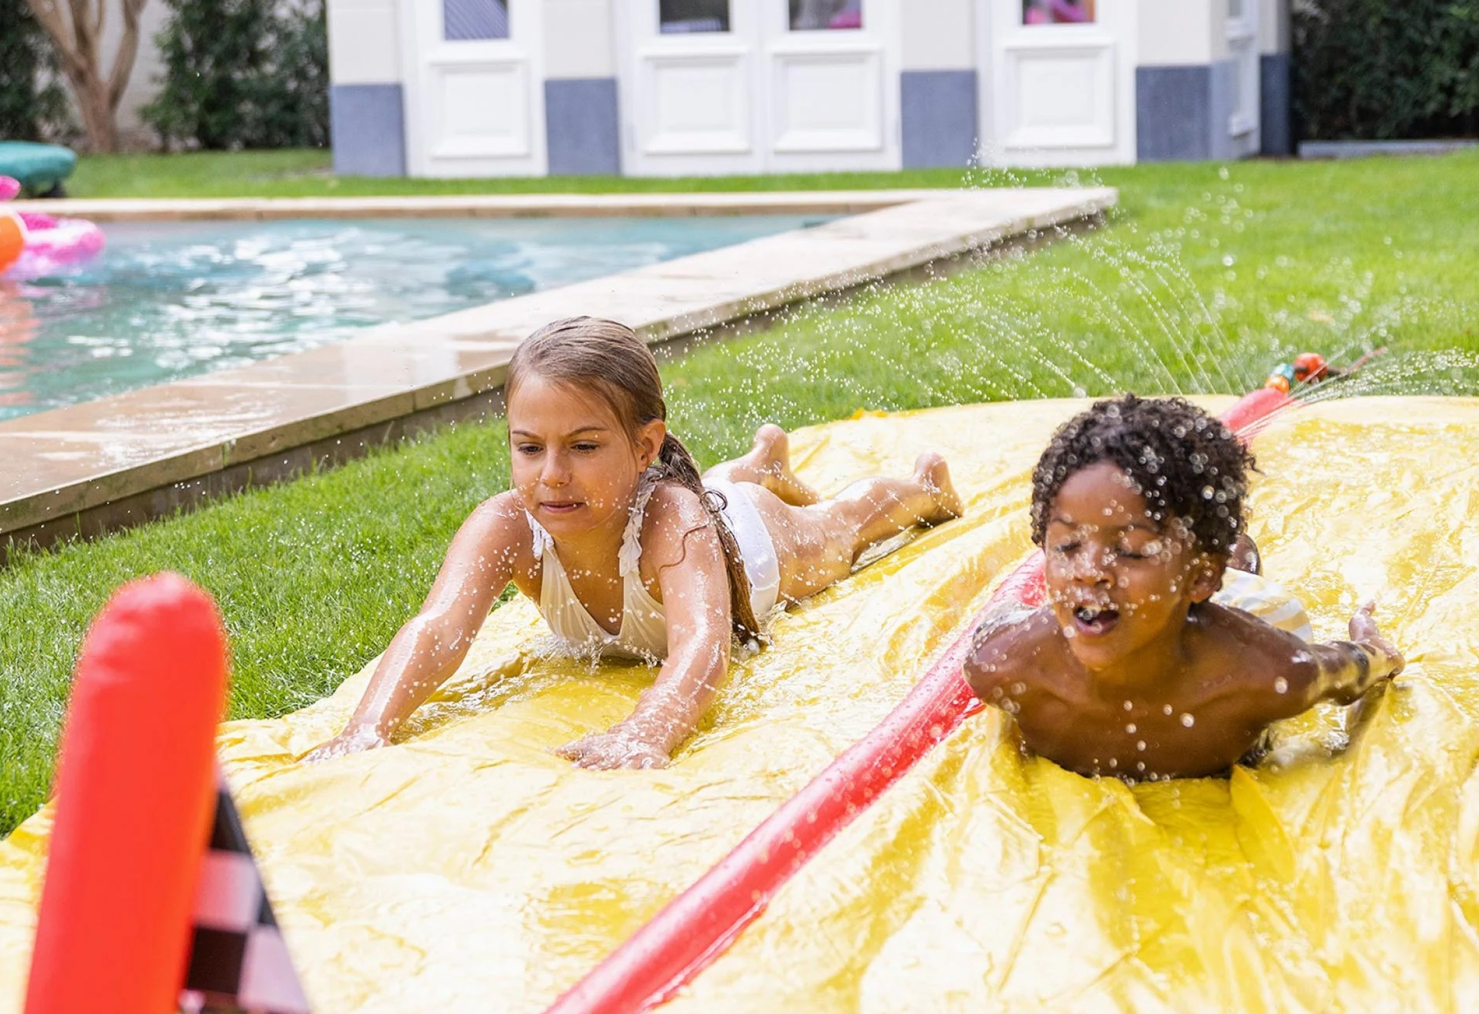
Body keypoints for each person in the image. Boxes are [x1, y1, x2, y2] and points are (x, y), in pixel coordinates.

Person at [310, 317, 961, 771]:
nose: (551, 474)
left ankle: (918, 486)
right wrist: (368, 726)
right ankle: (757, 463)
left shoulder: (671, 521)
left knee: (839, 530)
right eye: (528, 447)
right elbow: (438, 627)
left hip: (757, 541)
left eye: (583, 447)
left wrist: (646, 730)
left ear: (645, 447)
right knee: (726, 488)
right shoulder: (508, 524)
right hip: (703, 505)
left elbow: (703, 646)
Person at [963, 395, 1403, 780]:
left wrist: (1373, 645)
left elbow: (1344, 670)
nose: (1089, 571)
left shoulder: (1268, 674)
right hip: (1166, 600)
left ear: (1201, 578)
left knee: (1243, 575)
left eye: (1132, 550)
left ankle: (1229, 556)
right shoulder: (1002, 665)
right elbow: (999, 619)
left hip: (1234, 611)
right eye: (1067, 544)